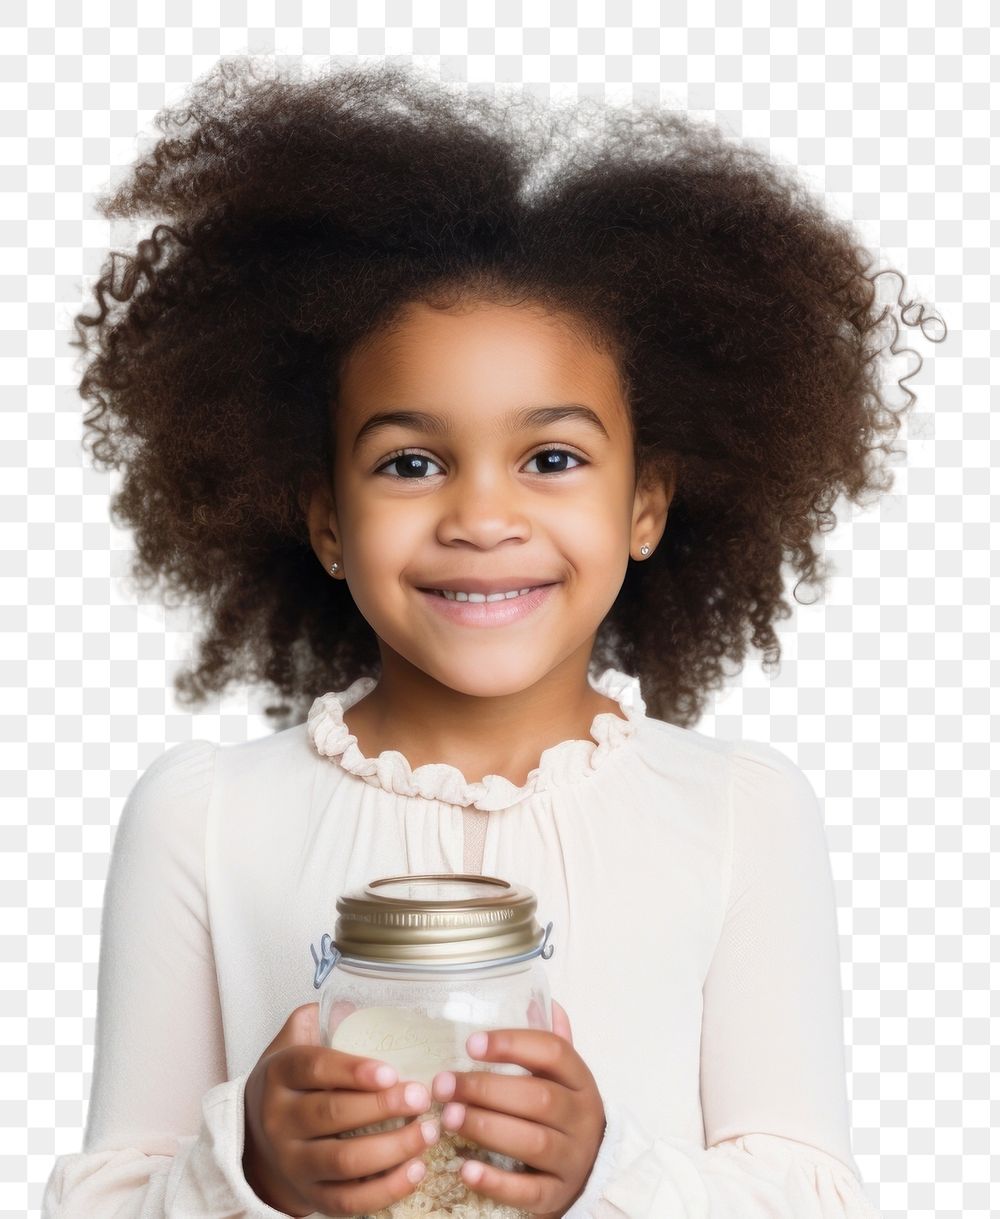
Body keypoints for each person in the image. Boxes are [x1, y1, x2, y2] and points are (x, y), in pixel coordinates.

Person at [42, 56, 943, 1218]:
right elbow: (104, 1198)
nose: (480, 517)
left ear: (645, 504)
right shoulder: (207, 819)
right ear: (325, 516)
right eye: (410, 462)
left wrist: (607, 1169)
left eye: (552, 458)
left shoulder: (737, 812)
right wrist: (246, 1167)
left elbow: (815, 1194)